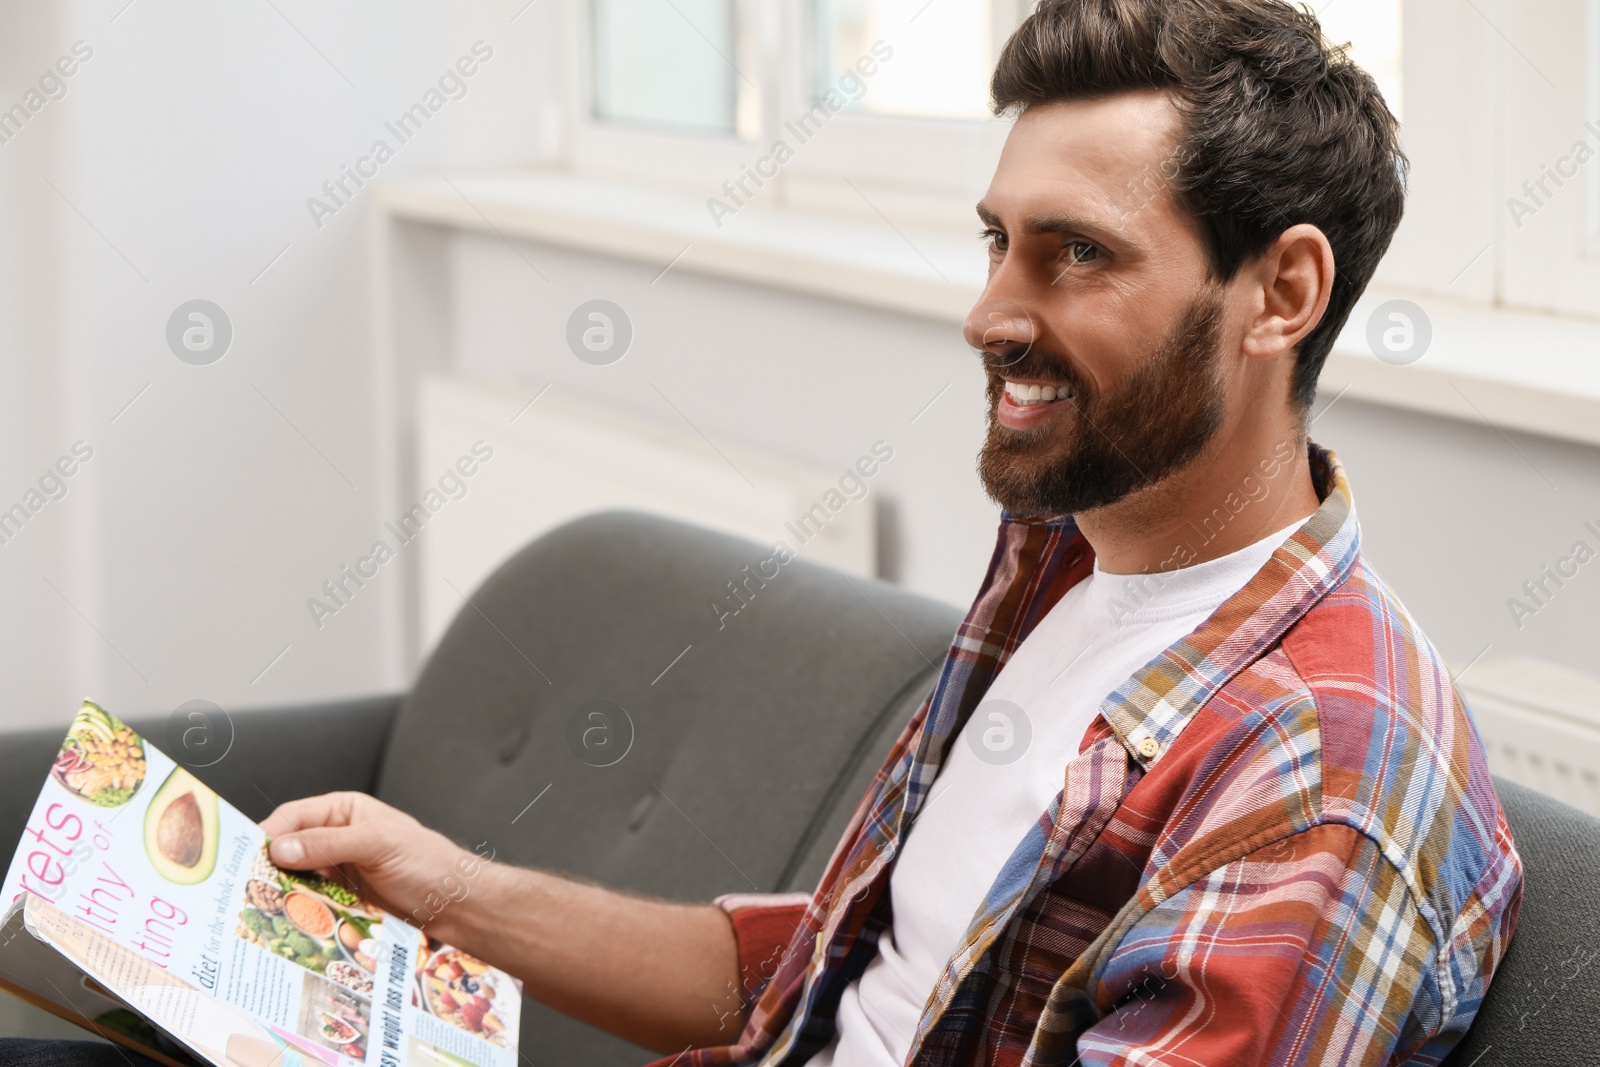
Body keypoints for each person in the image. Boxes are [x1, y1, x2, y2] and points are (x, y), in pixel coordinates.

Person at [1, 0, 1520, 1064]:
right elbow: (842, 982)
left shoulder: (1320, 781)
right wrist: (445, 892)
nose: (992, 312)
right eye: (998, 241)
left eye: (1077, 257)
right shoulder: (1073, 565)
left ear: (1283, 293)